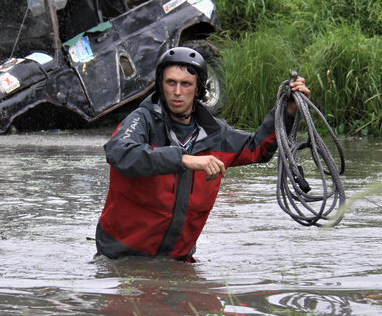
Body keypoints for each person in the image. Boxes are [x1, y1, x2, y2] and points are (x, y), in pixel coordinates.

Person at [94, 47, 310, 261]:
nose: (177, 91)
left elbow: (258, 148)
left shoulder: (217, 134)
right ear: (161, 86)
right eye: (171, 83)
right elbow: (119, 151)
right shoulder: (141, 120)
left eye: (186, 84)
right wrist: (183, 159)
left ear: (198, 90)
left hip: (177, 260)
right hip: (120, 257)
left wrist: (287, 112)